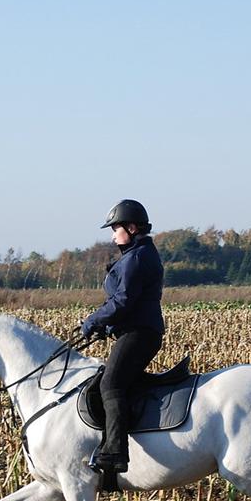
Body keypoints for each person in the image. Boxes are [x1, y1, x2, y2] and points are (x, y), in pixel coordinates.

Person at [80, 199, 165, 475]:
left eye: (115, 228)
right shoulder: (136, 254)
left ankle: (116, 451)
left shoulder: (137, 257)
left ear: (131, 227)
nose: (112, 234)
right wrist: (107, 326)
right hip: (136, 330)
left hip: (140, 333)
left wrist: (94, 320)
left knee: (111, 384)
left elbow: (123, 300)